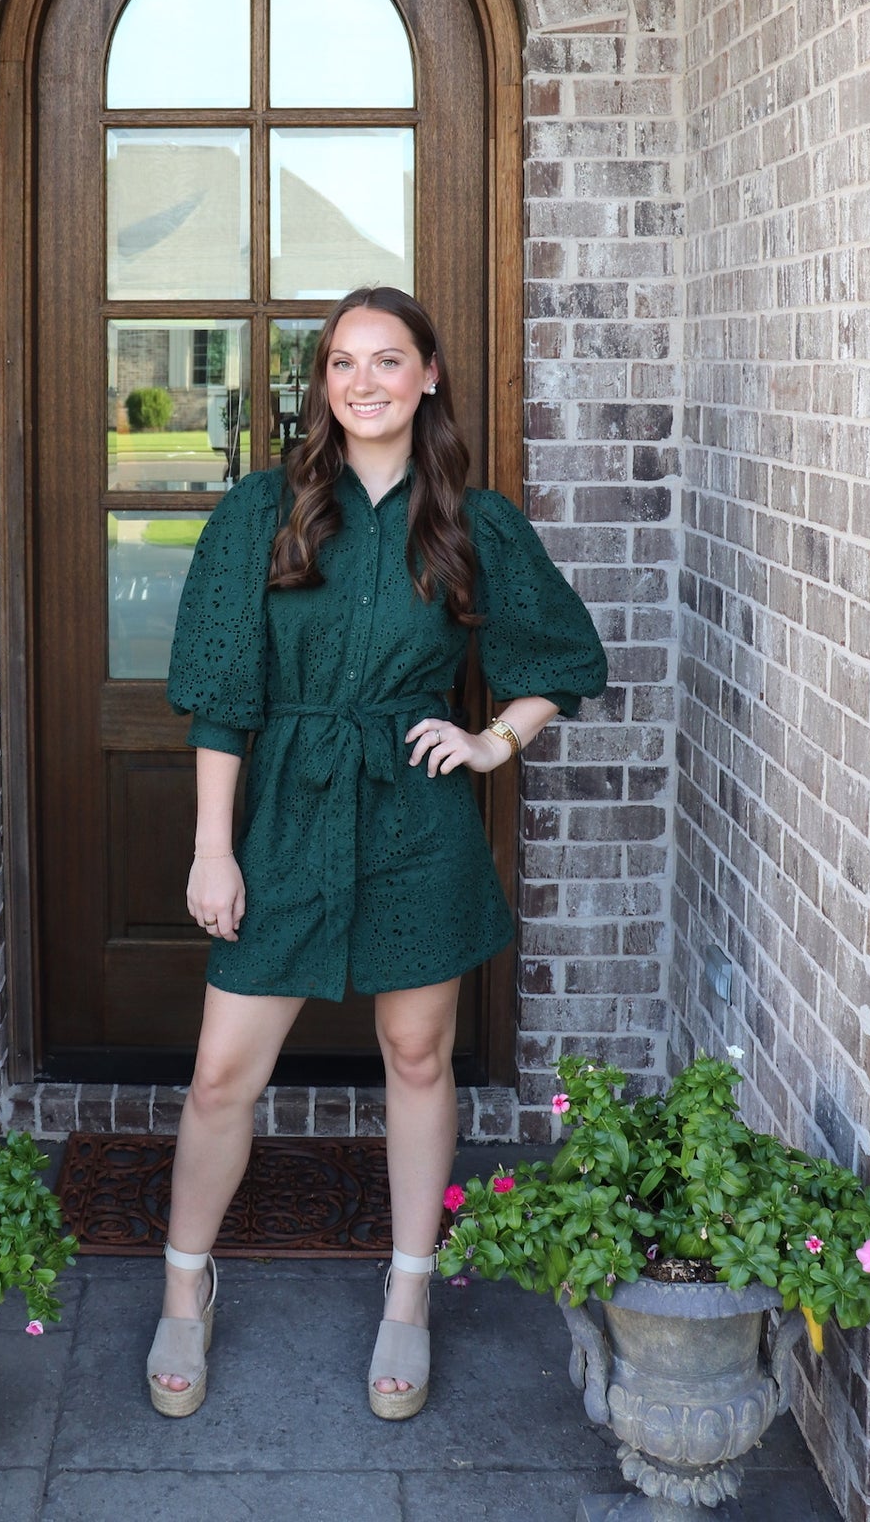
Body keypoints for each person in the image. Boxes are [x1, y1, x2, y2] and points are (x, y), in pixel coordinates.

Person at [146, 285, 607, 1421]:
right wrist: (214, 847)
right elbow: (220, 696)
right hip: (288, 814)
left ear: (428, 375)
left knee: (416, 1057)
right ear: (322, 386)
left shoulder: (469, 521)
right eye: (341, 363)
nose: (362, 381)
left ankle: (407, 1294)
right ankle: (180, 1285)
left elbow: (559, 653)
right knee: (220, 1073)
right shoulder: (263, 509)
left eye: (386, 359)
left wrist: (492, 738)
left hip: (414, 820)